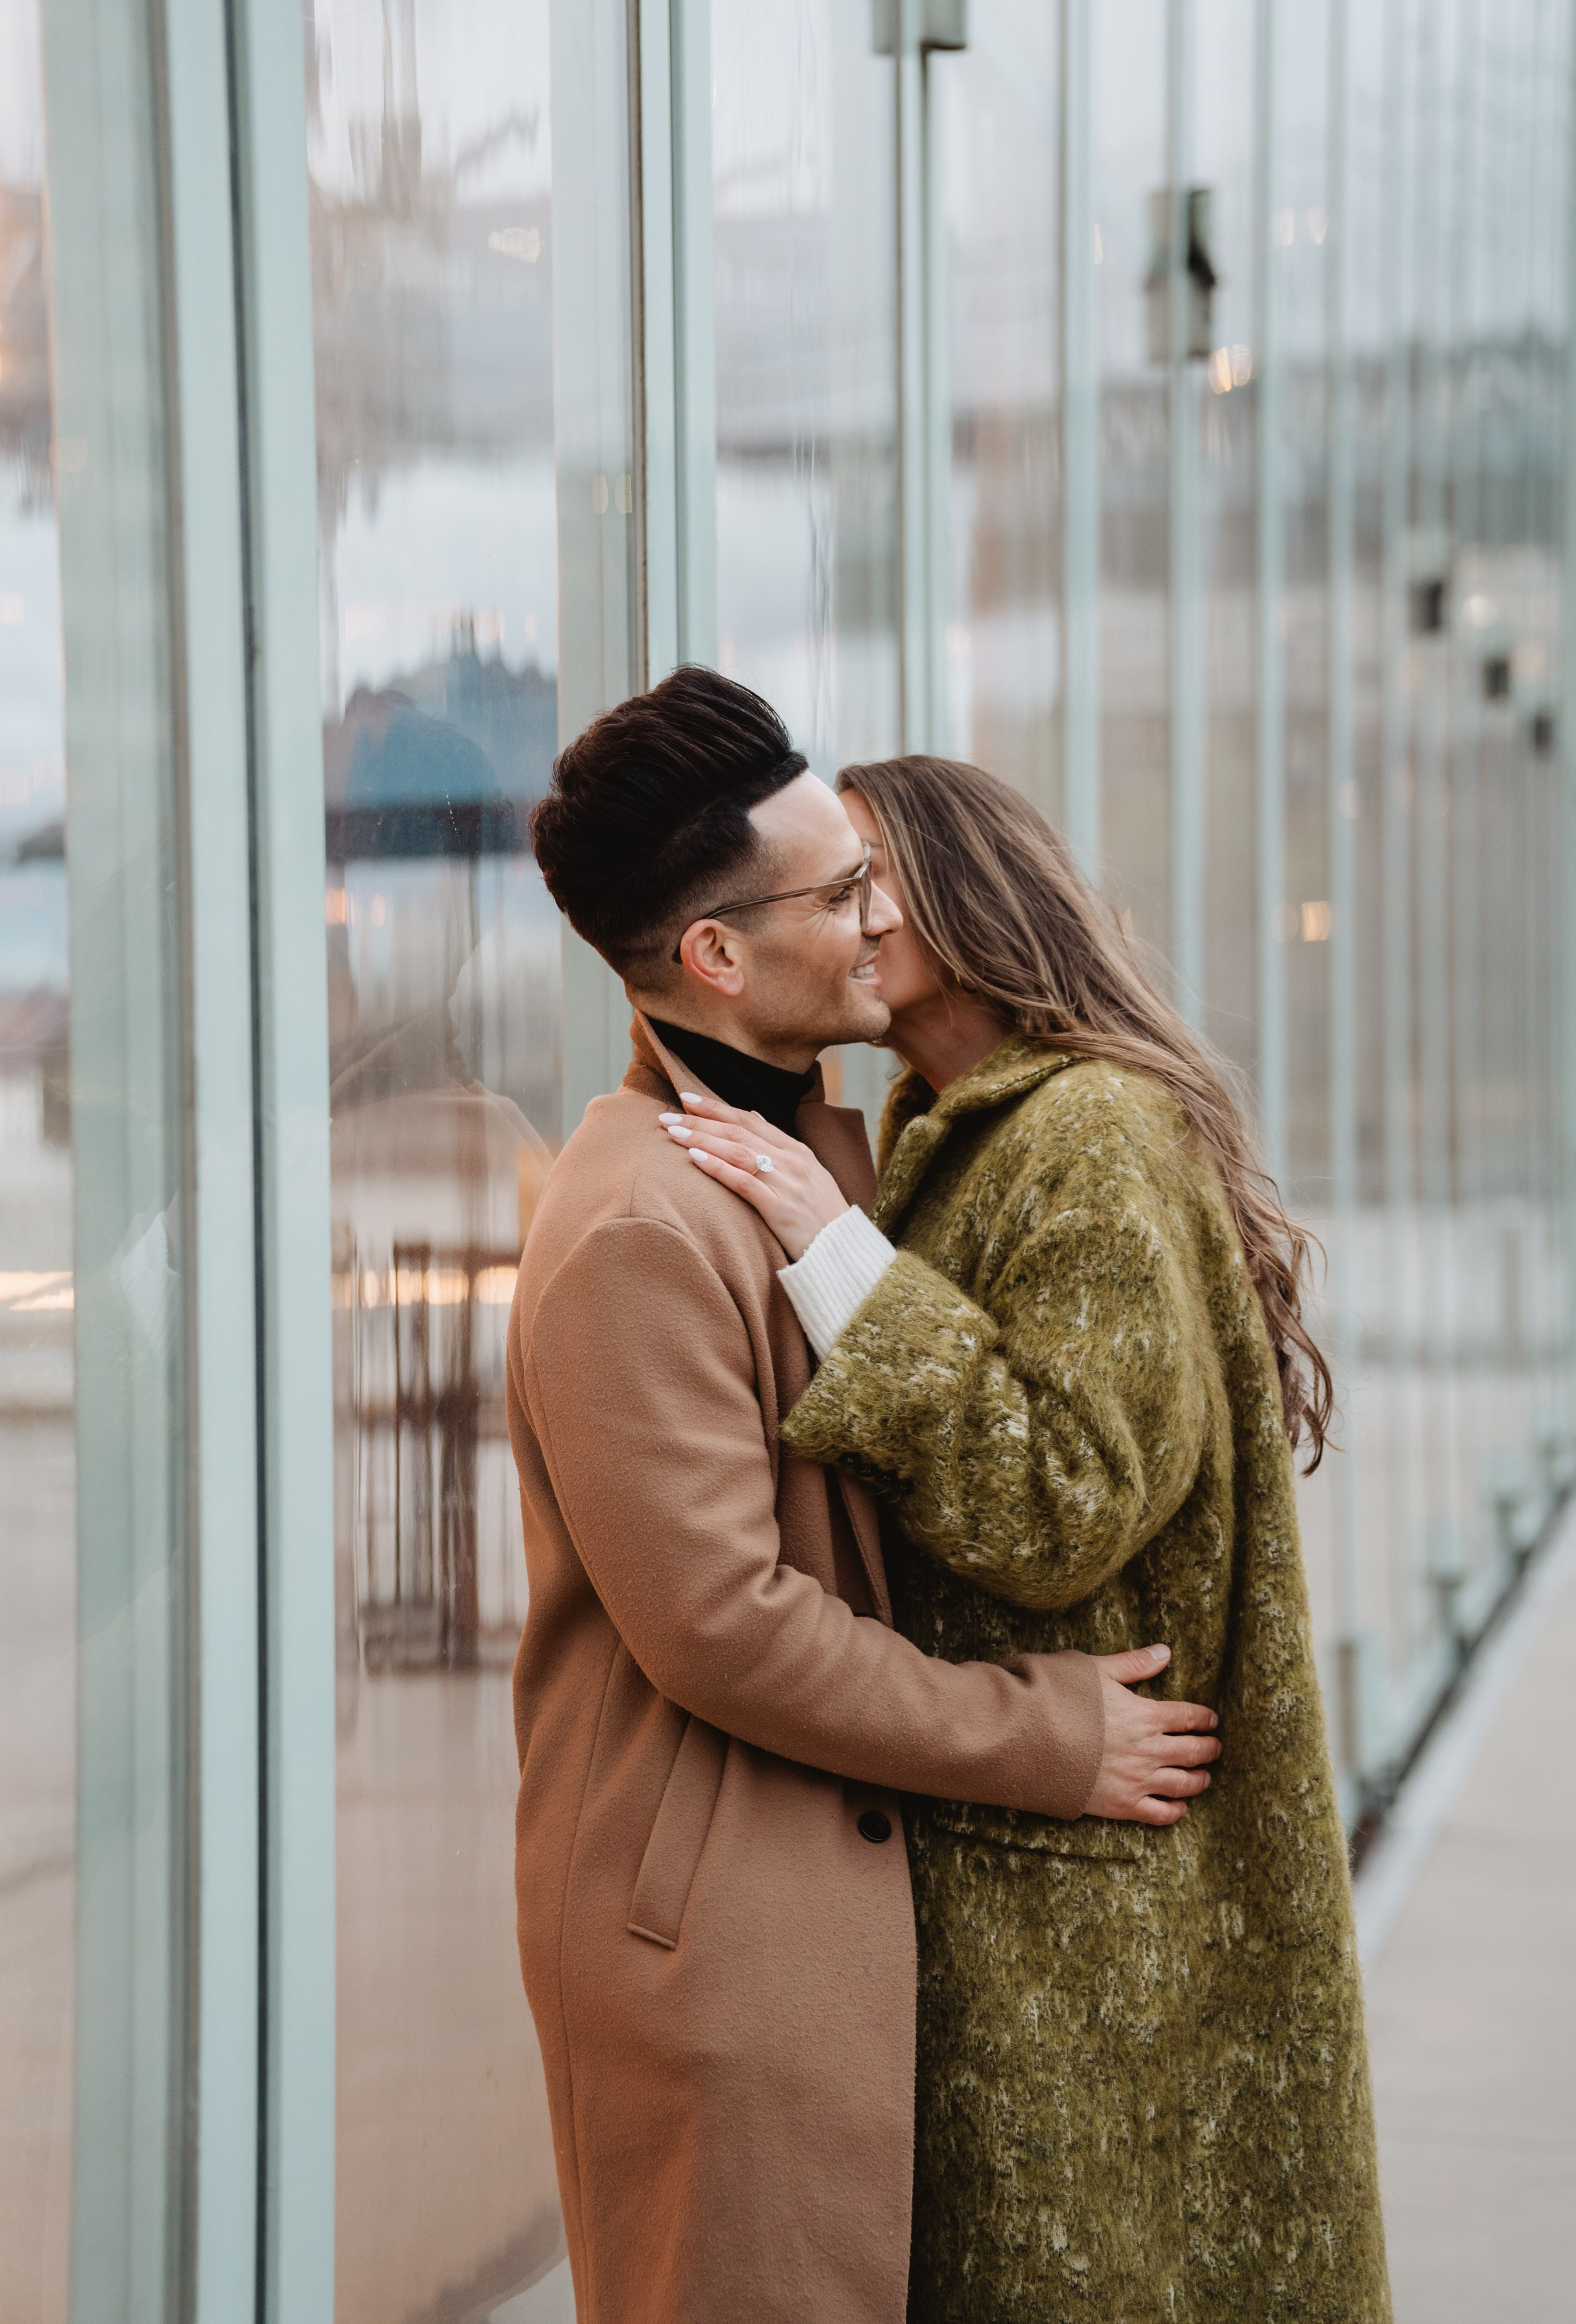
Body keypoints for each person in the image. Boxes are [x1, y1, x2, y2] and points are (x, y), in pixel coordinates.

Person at [508, 670, 1223, 2324]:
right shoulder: (636, 1225)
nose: (878, 915)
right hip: (725, 1964)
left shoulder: (828, 1154)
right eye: (839, 893)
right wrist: (1045, 1735)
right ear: (716, 957)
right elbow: (726, 1633)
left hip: (819, 1926)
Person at [672, 752, 1392, 2324]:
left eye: (866, 879)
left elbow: (1062, 1501)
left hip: (1094, 1918)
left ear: (966, 890)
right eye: (823, 888)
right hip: (1053, 1879)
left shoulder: (1087, 1137)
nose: (842, 920)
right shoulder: (957, 1125)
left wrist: (830, 1251)